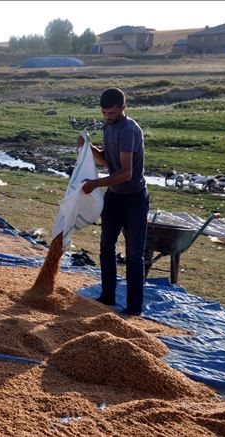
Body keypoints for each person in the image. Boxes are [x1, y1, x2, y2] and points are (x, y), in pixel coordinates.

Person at [80, 88, 149, 316]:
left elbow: (126, 172)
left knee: (133, 255)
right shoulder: (107, 126)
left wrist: (96, 184)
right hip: (114, 197)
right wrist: (88, 148)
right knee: (106, 248)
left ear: (122, 108)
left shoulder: (129, 130)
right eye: (104, 113)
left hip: (134, 199)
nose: (107, 116)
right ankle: (107, 295)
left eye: (111, 113)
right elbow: (106, 160)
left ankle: (134, 307)